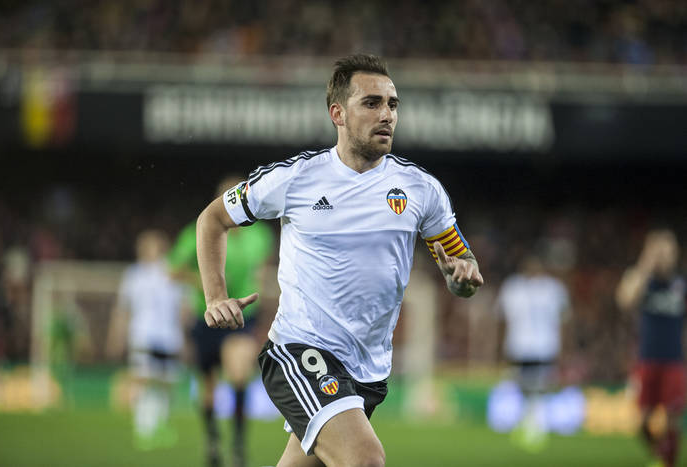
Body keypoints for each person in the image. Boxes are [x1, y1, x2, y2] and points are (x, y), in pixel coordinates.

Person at [196, 54, 484, 467]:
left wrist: (461, 280)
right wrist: (215, 295)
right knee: (365, 459)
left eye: (392, 104)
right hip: (300, 350)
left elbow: (459, 263)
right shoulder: (295, 178)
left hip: (368, 369)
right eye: (371, 103)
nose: (386, 114)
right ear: (338, 114)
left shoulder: (422, 189)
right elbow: (213, 219)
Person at [168, 177, 274, 467]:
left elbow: (262, 269)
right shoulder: (197, 232)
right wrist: (208, 287)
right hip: (208, 317)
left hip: (242, 317)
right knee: (209, 386)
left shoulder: (259, 236)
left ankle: (238, 446)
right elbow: (173, 270)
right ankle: (213, 440)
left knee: (239, 374)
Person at [106, 230, 184, 450]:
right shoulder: (134, 275)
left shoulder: (172, 273)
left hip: (169, 336)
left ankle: (160, 425)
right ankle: (143, 429)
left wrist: (185, 336)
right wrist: (116, 336)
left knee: (166, 382)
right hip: (142, 334)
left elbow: (182, 307)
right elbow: (123, 309)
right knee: (142, 378)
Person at [616, 229, 685, 467]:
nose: (664, 256)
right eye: (659, 251)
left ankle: (668, 462)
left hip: (674, 360)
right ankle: (659, 452)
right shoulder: (643, 282)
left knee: (672, 419)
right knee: (643, 419)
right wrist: (645, 266)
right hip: (647, 359)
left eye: (668, 251)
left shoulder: (680, 284)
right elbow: (625, 300)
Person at [494, 253, 571, 450]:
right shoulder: (516, 287)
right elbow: (502, 320)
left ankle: (534, 425)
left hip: (541, 346)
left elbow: (563, 321)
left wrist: (563, 348)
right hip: (523, 346)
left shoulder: (549, 288)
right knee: (524, 387)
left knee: (539, 388)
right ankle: (530, 423)